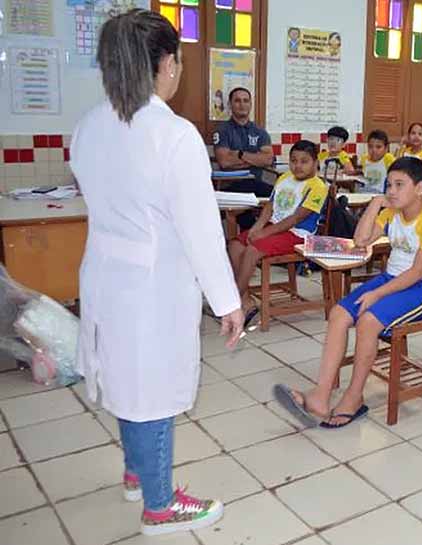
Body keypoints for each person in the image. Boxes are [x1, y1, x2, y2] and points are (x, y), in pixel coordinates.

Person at [71, 10, 243, 536]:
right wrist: (227, 299)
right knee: (154, 390)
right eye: (177, 61)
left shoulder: (89, 125)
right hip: (152, 286)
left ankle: (135, 473)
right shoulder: (173, 135)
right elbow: (200, 231)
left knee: (125, 379)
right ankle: (160, 503)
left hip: (105, 276)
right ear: (166, 64)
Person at [274, 157, 422, 428]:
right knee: (338, 314)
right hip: (392, 279)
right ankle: (320, 396)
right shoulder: (392, 211)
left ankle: (354, 397)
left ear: (420, 188)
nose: (391, 191)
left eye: (399, 185)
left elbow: (417, 272)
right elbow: (360, 241)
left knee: (368, 321)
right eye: (389, 185)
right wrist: (376, 204)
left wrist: (377, 295)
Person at [228, 140, 327, 326]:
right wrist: (258, 227)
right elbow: (270, 207)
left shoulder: (318, 186)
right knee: (235, 244)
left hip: (297, 235)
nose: (298, 166)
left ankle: (232, 303)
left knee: (252, 249)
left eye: (304, 161)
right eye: (294, 160)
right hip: (274, 228)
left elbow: (295, 219)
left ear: (315, 163)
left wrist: (263, 235)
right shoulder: (283, 178)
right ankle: (246, 301)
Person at [212, 87, 274, 191]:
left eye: (246, 101)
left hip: (256, 184)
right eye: (237, 101)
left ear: (250, 104)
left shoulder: (260, 132)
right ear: (230, 105)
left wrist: (239, 155)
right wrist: (255, 159)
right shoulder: (222, 130)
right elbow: (225, 161)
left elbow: (267, 159)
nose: (242, 104)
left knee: (277, 196)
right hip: (230, 186)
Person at [358, 129, 395, 193]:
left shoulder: (388, 158)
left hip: (382, 195)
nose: (374, 150)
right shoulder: (364, 159)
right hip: (365, 193)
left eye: (378, 147)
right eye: (370, 146)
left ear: (386, 148)